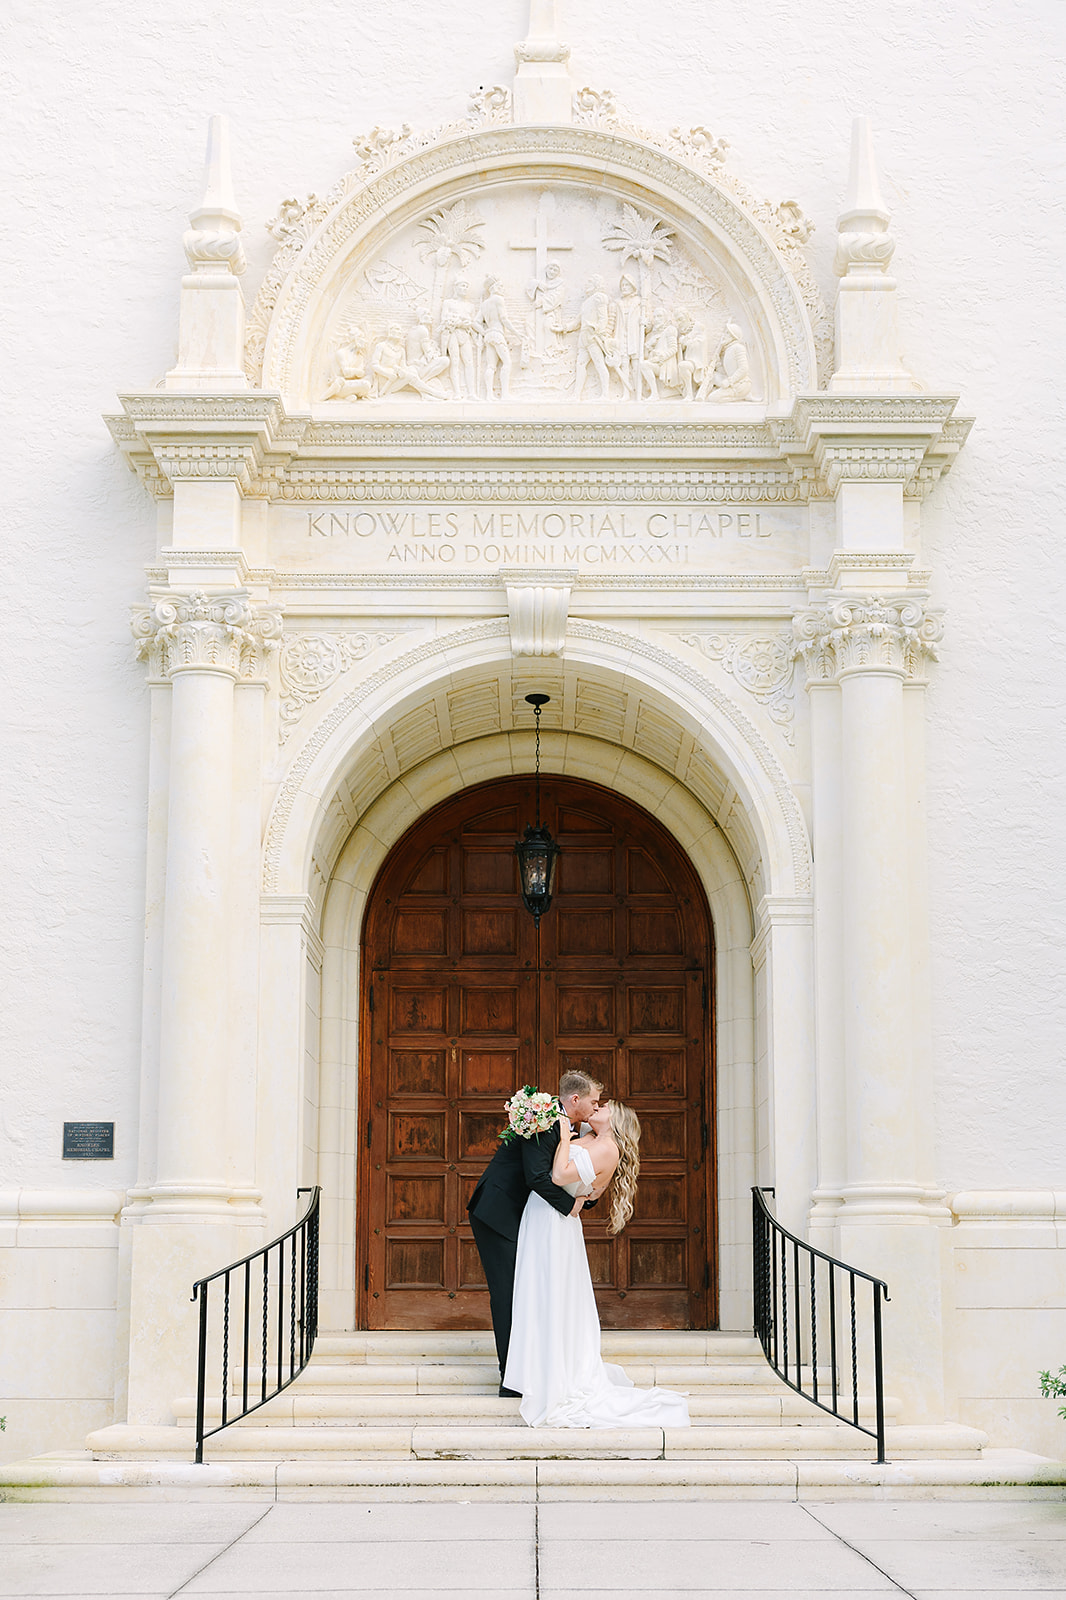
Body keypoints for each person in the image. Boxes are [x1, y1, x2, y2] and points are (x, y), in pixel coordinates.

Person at [504, 1101, 691, 1429]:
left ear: (616, 1121)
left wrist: (564, 1139)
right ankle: (539, 1369)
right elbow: (588, 1194)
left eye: (606, 1106)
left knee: (554, 1296)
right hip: (544, 1215)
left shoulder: (607, 1148)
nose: (599, 1106)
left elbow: (560, 1175)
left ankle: (556, 1375)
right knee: (539, 1293)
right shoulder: (590, 1137)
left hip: (556, 1224)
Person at [467, 1070, 602, 1395]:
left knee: (527, 1292)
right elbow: (537, 1177)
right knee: (508, 1293)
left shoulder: (571, 1126)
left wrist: (586, 1197)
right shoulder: (544, 1120)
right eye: (594, 1101)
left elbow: (564, 1174)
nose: (597, 1107)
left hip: (522, 1218)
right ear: (575, 1099)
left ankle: (528, 1370)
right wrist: (571, 1207)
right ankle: (510, 1380)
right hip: (498, 1212)